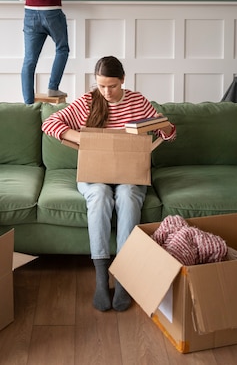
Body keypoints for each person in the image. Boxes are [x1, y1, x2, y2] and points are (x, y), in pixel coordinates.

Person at [42, 56, 177, 312]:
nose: (106, 92)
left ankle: (124, 278)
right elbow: (49, 123)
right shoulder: (88, 102)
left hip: (130, 175)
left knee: (127, 196)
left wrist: (166, 128)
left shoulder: (137, 101)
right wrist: (80, 137)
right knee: (100, 194)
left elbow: (167, 133)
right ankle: (102, 279)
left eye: (112, 86)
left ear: (123, 80)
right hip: (95, 175)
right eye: (101, 85)